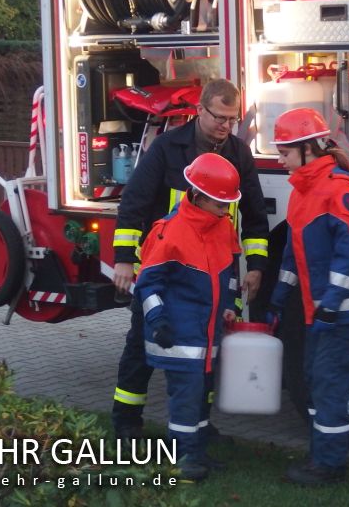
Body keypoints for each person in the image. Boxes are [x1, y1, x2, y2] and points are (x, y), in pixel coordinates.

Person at [111, 78, 269, 443]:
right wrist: (123, 260)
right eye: (219, 117)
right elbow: (133, 204)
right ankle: (126, 421)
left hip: (210, 273)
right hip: (167, 267)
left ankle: (199, 422)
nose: (226, 126)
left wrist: (257, 265)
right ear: (199, 110)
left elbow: (256, 216)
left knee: (206, 351)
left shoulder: (239, 154)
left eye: (232, 119)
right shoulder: (168, 148)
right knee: (142, 342)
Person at [267, 108, 349, 486]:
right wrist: (280, 295)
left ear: (307, 148)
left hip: (342, 312)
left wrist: (332, 301)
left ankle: (329, 466)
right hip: (322, 311)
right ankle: (322, 453)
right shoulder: (302, 192)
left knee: (330, 383)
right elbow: (291, 252)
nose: (280, 159)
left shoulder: (339, 188)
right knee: (316, 379)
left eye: (285, 152)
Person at [134, 153, 242, 481]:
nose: (226, 211)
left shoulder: (221, 227)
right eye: (220, 204)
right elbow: (147, 285)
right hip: (178, 336)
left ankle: (195, 453)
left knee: (200, 398)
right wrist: (158, 322)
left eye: (227, 205)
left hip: (206, 335)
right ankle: (179, 460)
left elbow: (230, 273)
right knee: (185, 400)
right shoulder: (170, 232)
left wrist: (231, 304)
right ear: (198, 195)